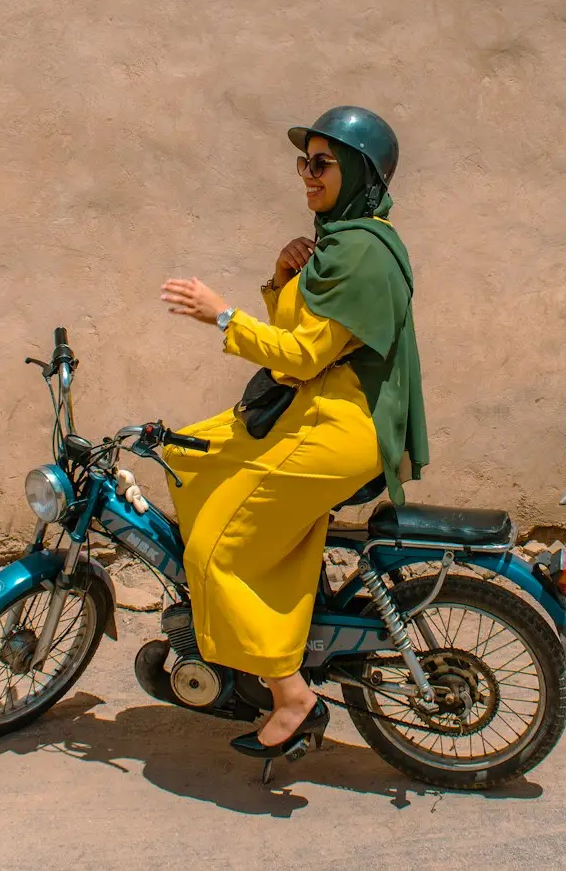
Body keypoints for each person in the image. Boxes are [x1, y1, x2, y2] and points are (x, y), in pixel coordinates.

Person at [158, 105, 429, 765]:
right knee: (187, 456)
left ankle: (290, 694)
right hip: (315, 413)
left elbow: (302, 357)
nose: (305, 175)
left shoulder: (362, 249)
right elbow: (297, 343)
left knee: (216, 553)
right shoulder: (344, 240)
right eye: (302, 162)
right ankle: (259, 633)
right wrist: (282, 276)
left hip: (339, 424)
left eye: (321, 163)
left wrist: (220, 313)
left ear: (359, 169)